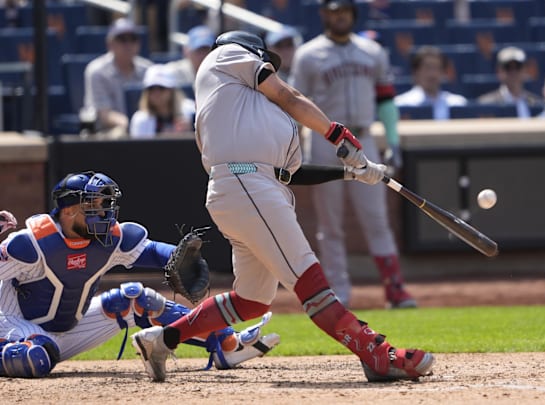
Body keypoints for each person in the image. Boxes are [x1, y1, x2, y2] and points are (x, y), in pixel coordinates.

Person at [130, 30, 434, 383]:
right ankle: (377, 354)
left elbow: (291, 174)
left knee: (252, 300)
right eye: (265, 63)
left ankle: (162, 340)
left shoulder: (252, 111)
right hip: (247, 185)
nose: (269, 71)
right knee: (309, 279)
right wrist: (337, 134)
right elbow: (288, 95)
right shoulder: (224, 56)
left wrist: (353, 174)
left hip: (252, 189)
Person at [0, 171, 279, 378]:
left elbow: (154, 251)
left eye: (106, 204)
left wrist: (179, 257)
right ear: (70, 210)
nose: (105, 213)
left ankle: (227, 344)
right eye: (95, 206)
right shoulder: (30, 245)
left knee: (137, 299)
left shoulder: (111, 239)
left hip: (69, 329)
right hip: (16, 327)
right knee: (34, 358)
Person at [289, 0, 417, 309]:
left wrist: (393, 140)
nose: (339, 15)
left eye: (344, 10)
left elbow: (386, 100)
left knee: (376, 217)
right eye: (333, 10)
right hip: (324, 142)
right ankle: (339, 293)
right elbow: (293, 104)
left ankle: (395, 289)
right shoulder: (308, 54)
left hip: (363, 138)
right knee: (330, 224)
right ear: (324, 14)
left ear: (353, 12)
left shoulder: (372, 51)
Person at [83, 18, 153, 137]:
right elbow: (103, 113)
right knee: (119, 133)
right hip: (106, 133)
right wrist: (129, 124)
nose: (128, 44)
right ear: (110, 44)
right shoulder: (97, 71)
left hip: (142, 129)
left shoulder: (148, 69)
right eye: (122, 39)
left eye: (133, 39)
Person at [394, 45, 468, 120]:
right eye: (427, 67)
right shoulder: (401, 104)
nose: (432, 74)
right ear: (416, 72)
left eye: (436, 68)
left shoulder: (457, 103)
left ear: (443, 73)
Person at [129, 64, 196, 138]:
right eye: (151, 88)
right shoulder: (140, 119)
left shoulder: (190, 111)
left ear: (171, 90)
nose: (156, 93)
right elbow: (138, 148)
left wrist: (191, 130)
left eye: (161, 88)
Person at [476, 46, 542, 119]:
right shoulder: (486, 104)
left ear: (525, 70)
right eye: (508, 67)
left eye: (517, 67)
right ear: (499, 71)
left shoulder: (536, 103)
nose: (513, 72)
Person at [165, 25, 216, 91]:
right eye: (199, 50)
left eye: (207, 50)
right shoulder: (172, 72)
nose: (203, 55)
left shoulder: (221, 73)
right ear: (186, 51)